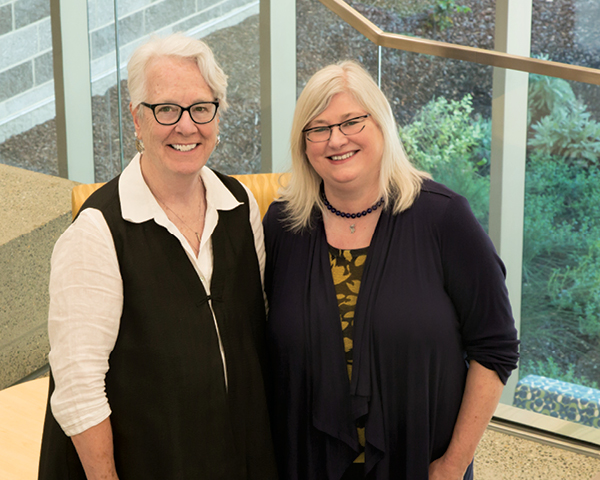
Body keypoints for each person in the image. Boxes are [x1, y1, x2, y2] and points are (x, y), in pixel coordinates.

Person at [262, 60, 519, 480]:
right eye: (318, 128)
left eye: (351, 122)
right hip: (306, 463)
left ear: (381, 124)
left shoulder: (445, 218)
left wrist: (453, 465)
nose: (335, 140)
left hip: (421, 463)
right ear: (304, 144)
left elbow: (495, 348)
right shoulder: (283, 226)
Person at [38, 34, 277, 480]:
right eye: (166, 109)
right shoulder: (96, 233)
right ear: (137, 119)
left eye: (201, 108)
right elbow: (78, 390)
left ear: (218, 115)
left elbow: (253, 335)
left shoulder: (242, 206)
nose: (186, 126)